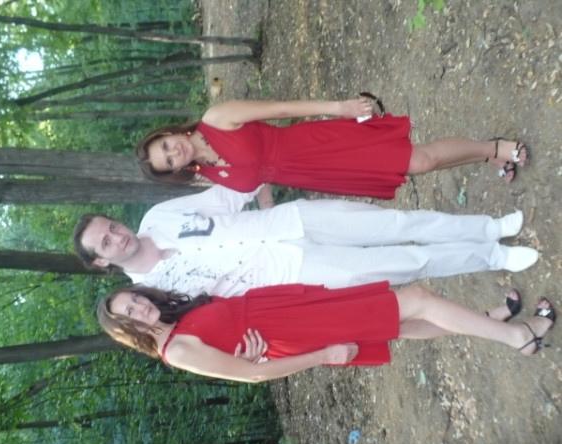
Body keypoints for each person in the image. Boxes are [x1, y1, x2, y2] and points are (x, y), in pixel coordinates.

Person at [72, 185, 538, 298]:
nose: (117, 235)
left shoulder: (157, 217)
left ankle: (489, 228)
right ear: (101, 264)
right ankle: (494, 256)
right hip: (292, 273)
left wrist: (262, 190)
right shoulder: (149, 296)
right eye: (105, 244)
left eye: (110, 226)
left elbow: (225, 196)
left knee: (396, 224)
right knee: (405, 265)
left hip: (292, 220)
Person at [97, 282, 556, 382]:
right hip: (305, 331)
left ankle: (489, 319)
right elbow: (252, 374)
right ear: (128, 332)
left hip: (295, 312)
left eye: (133, 300)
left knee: (402, 325)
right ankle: (519, 337)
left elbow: (238, 350)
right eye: (129, 315)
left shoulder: (177, 320)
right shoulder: (176, 350)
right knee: (414, 299)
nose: (139, 308)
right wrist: (324, 355)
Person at [134, 96, 529, 205]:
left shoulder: (216, 118)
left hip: (317, 144)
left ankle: (495, 145)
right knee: (411, 168)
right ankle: (486, 154)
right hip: (315, 175)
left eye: (166, 145)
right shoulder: (207, 174)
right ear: (174, 171)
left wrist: (339, 108)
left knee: (420, 160)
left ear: (168, 133)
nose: (174, 152)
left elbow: (281, 109)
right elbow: (256, 176)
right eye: (168, 161)